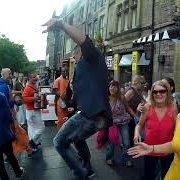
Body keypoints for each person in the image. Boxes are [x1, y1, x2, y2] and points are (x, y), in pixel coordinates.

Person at [43, 18, 112, 180]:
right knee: (78, 139)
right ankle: (87, 167)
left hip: (92, 113)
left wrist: (60, 24)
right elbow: (81, 92)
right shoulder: (87, 68)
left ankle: (80, 174)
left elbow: (84, 41)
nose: (74, 58)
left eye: (76, 54)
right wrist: (72, 102)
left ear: (79, 51)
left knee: (59, 142)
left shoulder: (93, 57)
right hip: (95, 114)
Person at [134, 80, 177, 180]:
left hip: (167, 149)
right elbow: (139, 125)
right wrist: (136, 134)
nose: (158, 94)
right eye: (155, 92)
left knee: (167, 175)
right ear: (152, 93)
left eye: (162, 91)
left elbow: (176, 128)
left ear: (167, 92)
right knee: (148, 175)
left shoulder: (173, 107)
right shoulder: (147, 107)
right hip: (148, 148)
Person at [106, 80, 136, 167]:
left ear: (118, 88)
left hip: (123, 121)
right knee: (112, 142)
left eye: (115, 86)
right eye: (111, 86)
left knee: (126, 142)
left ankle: (125, 159)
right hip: (112, 122)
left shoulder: (121, 97)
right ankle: (109, 157)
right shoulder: (105, 98)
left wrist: (135, 116)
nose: (112, 88)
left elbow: (128, 107)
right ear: (108, 87)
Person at [22, 72, 45, 155]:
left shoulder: (34, 85)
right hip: (32, 111)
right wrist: (34, 98)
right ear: (29, 79)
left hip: (32, 110)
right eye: (33, 77)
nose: (35, 78)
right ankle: (32, 142)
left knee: (32, 129)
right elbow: (24, 98)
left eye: (35, 77)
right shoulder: (28, 87)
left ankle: (34, 145)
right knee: (42, 128)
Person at [125, 75, 145, 147]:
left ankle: (131, 147)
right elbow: (123, 103)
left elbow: (144, 101)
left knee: (132, 132)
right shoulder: (131, 91)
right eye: (142, 83)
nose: (143, 85)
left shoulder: (138, 92)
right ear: (138, 82)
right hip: (128, 116)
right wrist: (134, 114)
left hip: (133, 115)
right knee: (130, 132)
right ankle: (128, 149)